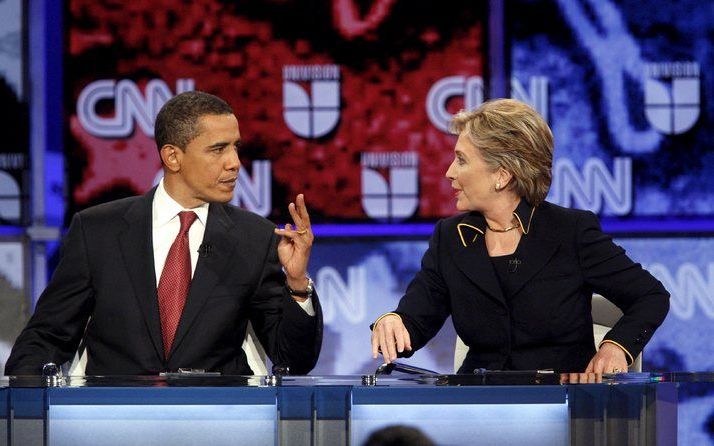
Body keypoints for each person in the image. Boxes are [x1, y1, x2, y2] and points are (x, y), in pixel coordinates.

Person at [5, 91, 322, 376]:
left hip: (217, 420)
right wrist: (26, 409)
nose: (235, 163)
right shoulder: (98, 231)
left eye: (236, 147)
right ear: (173, 157)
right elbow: (47, 337)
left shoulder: (254, 237)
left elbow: (292, 360)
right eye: (218, 149)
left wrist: (296, 284)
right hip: (113, 418)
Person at [371, 99, 669, 374]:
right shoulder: (452, 238)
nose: (449, 172)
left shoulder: (569, 232)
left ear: (502, 175)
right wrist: (394, 321)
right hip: (479, 410)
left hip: (565, 407)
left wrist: (616, 347)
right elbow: (417, 318)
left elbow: (651, 296)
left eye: (461, 160)